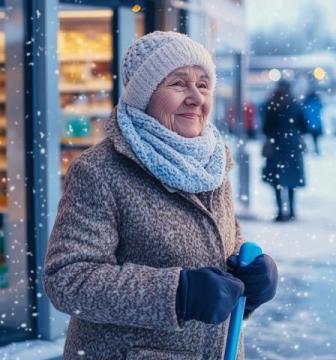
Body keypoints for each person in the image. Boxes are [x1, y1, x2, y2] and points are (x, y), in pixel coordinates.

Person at [43, 31, 278, 360]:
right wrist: (176, 294)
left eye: (203, 84)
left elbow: (221, 246)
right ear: (144, 95)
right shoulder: (100, 170)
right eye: (179, 83)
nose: (196, 97)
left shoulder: (211, 163)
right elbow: (67, 279)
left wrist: (250, 280)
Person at [262, 79, 307, 222]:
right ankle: (292, 212)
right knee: (291, 180)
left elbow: (266, 127)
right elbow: (304, 126)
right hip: (293, 145)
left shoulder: (272, 104)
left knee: (277, 181)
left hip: (276, 145)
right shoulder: (296, 104)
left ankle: (281, 212)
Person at [303, 89, 323, 155]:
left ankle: (305, 149)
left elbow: (305, 112)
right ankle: (316, 149)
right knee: (315, 138)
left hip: (309, 123)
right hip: (316, 124)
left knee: (306, 137)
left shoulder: (307, 103)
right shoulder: (317, 103)